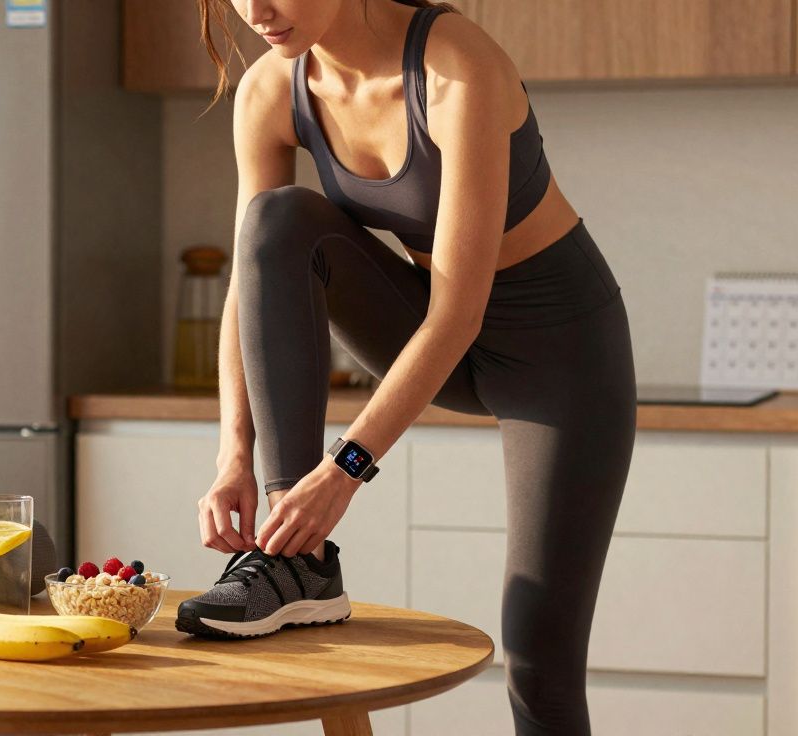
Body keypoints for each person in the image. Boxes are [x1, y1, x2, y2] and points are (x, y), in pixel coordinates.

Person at [174, 2, 637, 733]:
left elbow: (461, 311)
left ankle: (308, 533)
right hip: (424, 326)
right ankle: (300, 564)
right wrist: (234, 452)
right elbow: (251, 281)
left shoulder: (458, 67)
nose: (256, 10)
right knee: (274, 221)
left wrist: (346, 468)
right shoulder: (273, 90)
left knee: (540, 657)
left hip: (560, 352)